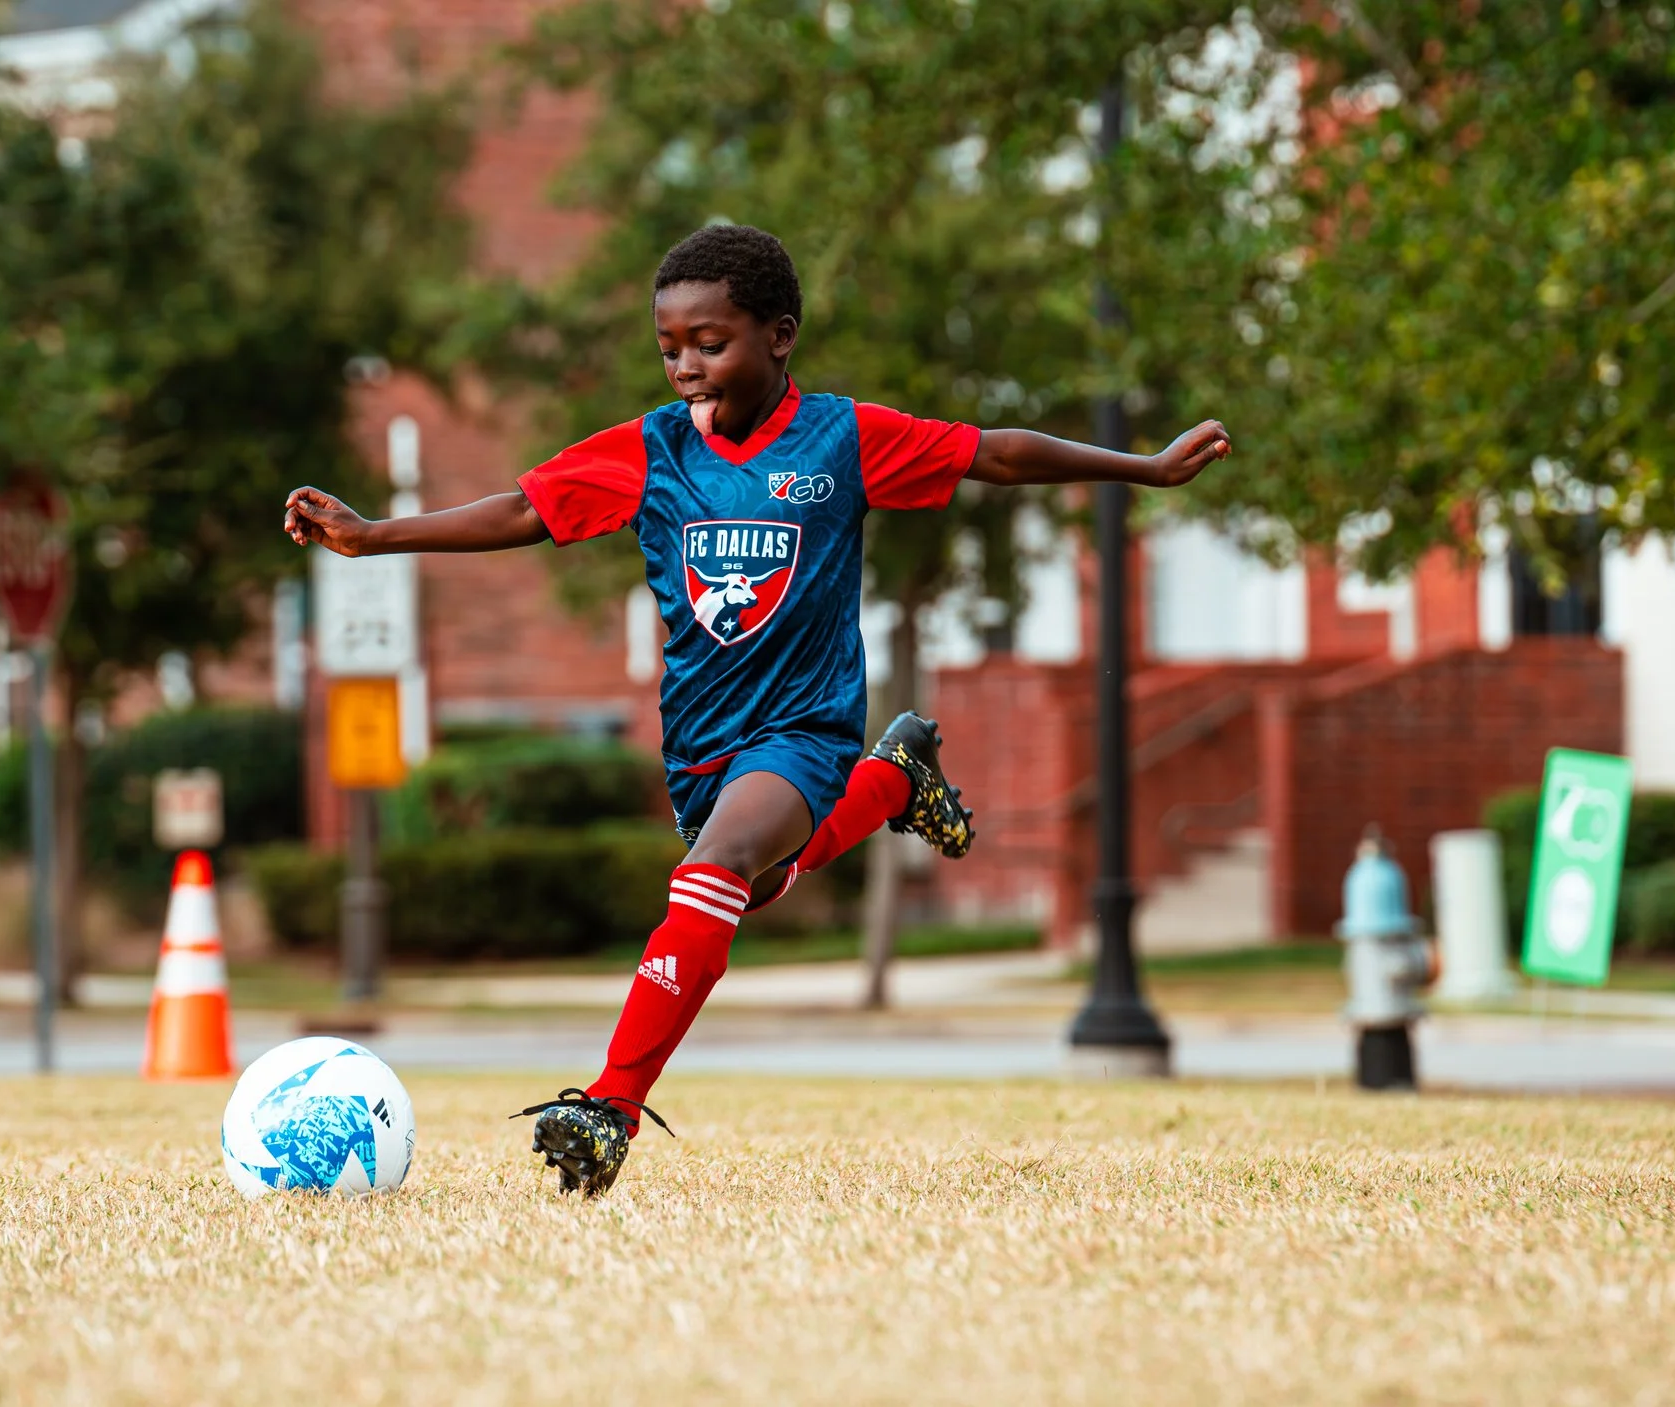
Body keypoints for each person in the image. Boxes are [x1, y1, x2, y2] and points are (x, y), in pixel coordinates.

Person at [283, 224, 1230, 1195]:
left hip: (805, 729)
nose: (687, 366)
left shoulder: (842, 439)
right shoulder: (650, 451)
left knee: (714, 870)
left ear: (779, 336)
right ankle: (893, 783)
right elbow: (527, 510)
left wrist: (1141, 469)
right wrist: (374, 536)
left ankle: (607, 1108)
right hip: (700, 749)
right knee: (744, 880)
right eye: (670, 348)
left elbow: (996, 455)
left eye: (711, 342)